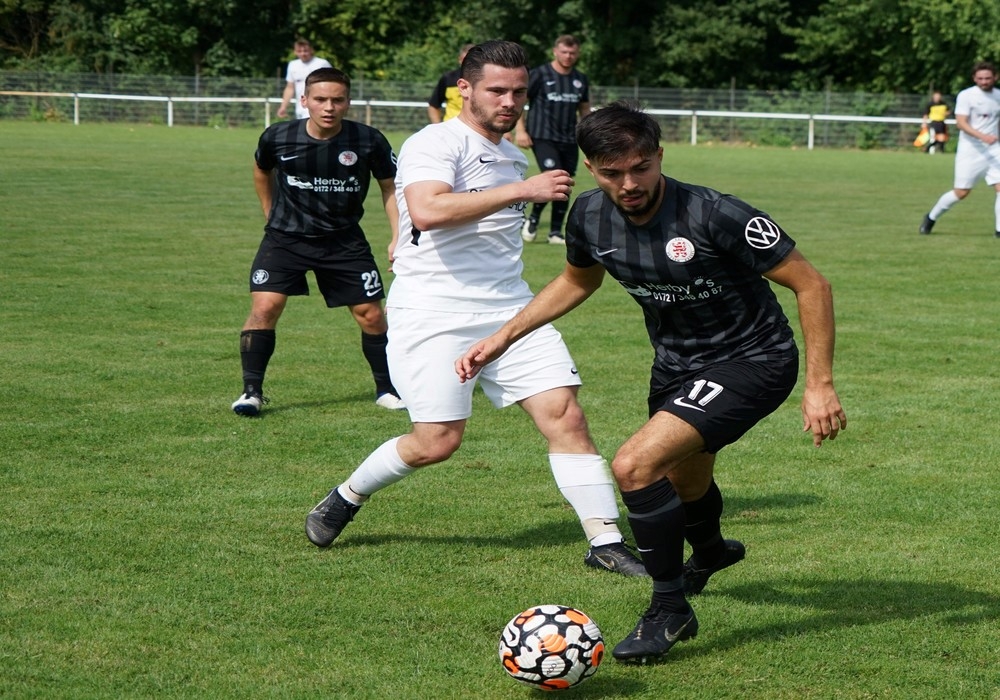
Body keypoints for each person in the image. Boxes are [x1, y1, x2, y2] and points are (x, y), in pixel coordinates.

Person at [457, 101, 847, 663]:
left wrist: (820, 385)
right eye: (612, 172)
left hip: (753, 360)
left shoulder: (716, 215)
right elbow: (577, 280)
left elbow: (812, 284)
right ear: (591, 168)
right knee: (685, 478)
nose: (629, 184)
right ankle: (710, 552)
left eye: (641, 168)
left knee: (635, 466)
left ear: (659, 156)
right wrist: (504, 336)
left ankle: (669, 608)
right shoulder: (588, 216)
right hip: (675, 364)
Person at [304, 41, 646, 578]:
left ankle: (605, 541)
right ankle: (347, 495)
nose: (510, 102)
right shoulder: (435, 142)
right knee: (437, 442)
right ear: (464, 88)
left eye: (519, 92)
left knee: (566, 416)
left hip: (510, 308)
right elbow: (427, 209)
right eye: (497, 90)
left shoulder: (511, 155)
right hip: (433, 313)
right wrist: (524, 189)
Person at [232, 67, 405, 416]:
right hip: (285, 239)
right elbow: (261, 169)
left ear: (348, 102)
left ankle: (387, 389)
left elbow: (391, 187)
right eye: (321, 99)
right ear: (304, 100)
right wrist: (269, 212)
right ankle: (251, 393)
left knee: (372, 315)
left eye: (337, 100)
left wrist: (398, 237)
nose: (329, 107)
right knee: (265, 308)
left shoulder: (368, 140)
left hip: (344, 241)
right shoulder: (278, 137)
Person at [516, 35, 591, 245]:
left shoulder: (580, 79)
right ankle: (533, 219)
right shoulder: (539, 74)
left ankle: (555, 232)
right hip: (542, 136)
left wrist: (589, 135)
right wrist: (520, 130)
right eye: (564, 52)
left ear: (577, 54)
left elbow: (584, 109)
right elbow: (520, 101)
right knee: (555, 176)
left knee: (564, 182)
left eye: (572, 53)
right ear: (555, 52)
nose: (568, 56)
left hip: (569, 138)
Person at [920, 62, 1000, 238]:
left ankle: (999, 231)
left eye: (987, 78)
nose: (984, 82)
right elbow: (961, 123)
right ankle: (931, 217)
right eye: (980, 78)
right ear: (974, 79)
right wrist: (983, 136)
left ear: (995, 77)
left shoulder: (998, 96)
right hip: (971, 150)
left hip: (994, 150)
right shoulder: (966, 95)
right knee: (961, 192)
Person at [276, 39, 332, 120]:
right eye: (299, 51)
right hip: (300, 108)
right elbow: (290, 88)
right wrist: (283, 107)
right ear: (295, 52)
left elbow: (332, 83)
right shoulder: (293, 65)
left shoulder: (322, 63)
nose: (303, 53)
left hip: (318, 106)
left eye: (305, 51)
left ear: (311, 50)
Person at [427, 43, 476, 124]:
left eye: (472, 61)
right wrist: (438, 127)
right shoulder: (448, 78)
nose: (468, 63)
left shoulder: (487, 79)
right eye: (465, 60)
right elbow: (433, 106)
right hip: (451, 127)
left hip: (476, 128)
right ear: (459, 60)